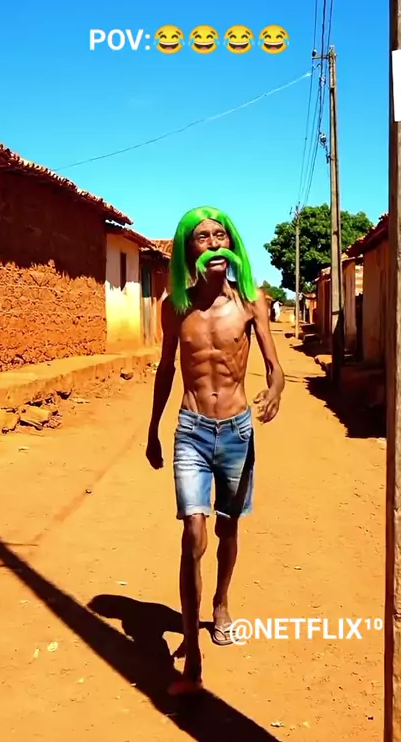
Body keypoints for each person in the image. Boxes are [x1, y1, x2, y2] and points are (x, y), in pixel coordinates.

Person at [146, 206, 285, 695]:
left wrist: (276, 388)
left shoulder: (250, 301)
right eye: (202, 237)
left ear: (232, 244)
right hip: (191, 429)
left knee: (228, 529)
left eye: (220, 235)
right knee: (193, 534)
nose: (213, 244)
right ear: (190, 250)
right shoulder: (175, 307)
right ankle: (192, 650)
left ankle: (221, 601)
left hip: (237, 432)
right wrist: (152, 429)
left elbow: (275, 364)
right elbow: (166, 368)